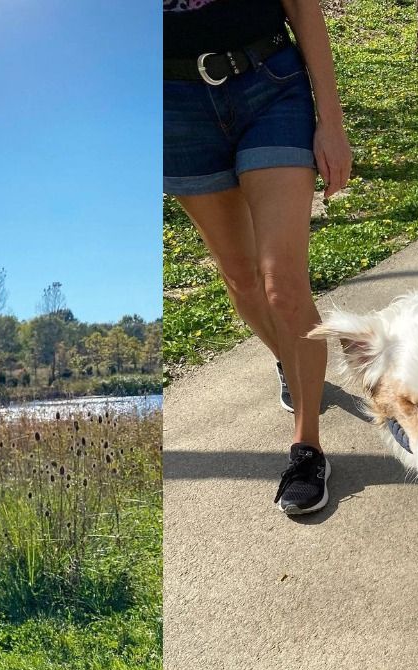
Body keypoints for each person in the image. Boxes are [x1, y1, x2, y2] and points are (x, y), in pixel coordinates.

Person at [164, 0, 352, 517]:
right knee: (242, 282)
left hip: (270, 85)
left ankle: (307, 448)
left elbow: (301, 7)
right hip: (172, 109)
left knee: (280, 282)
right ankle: (295, 369)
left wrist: (331, 122)